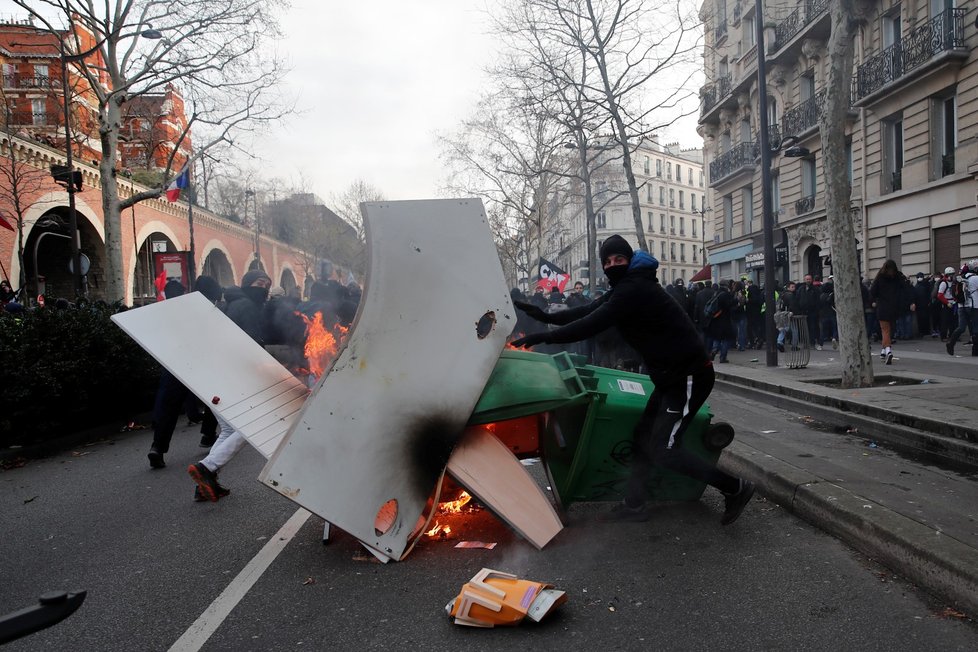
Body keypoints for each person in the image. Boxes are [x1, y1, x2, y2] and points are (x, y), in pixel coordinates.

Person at [510, 234, 755, 525]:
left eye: (619, 260)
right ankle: (634, 503)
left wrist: (545, 336)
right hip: (668, 378)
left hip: (689, 375)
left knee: (665, 449)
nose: (613, 265)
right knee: (642, 437)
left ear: (629, 261)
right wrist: (542, 315)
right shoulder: (624, 287)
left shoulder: (635, 289)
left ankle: (735, 488)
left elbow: (592, 323)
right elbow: (587, 310)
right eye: (608, 261)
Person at [188, 269, 272, 502]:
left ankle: (204, 484)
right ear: (247, 284)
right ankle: (207, 467)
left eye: (267, 283)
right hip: (231, 375)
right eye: (259, 282)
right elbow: (251, 345)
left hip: (213, 373)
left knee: (227, 430)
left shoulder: (231, 302)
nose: (264, 287)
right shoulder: (246, 306)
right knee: (249, 426)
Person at [870, 260, 914, 366]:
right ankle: (883, 351)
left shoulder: (880, 277)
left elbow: (872, 291)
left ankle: (888, 350)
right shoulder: (898, 276)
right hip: (894, 307)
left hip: (882, 307)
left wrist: (873, 302)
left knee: (885, 330)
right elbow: (907, 289)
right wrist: (911, 301)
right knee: (890, 330)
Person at [947, 262, 978, 357]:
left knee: (961, 327)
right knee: (975, 328)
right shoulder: (975, 278)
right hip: (973, 306)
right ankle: (975, 351)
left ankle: (951, 344)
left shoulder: (960, 279)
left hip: (961, 306)